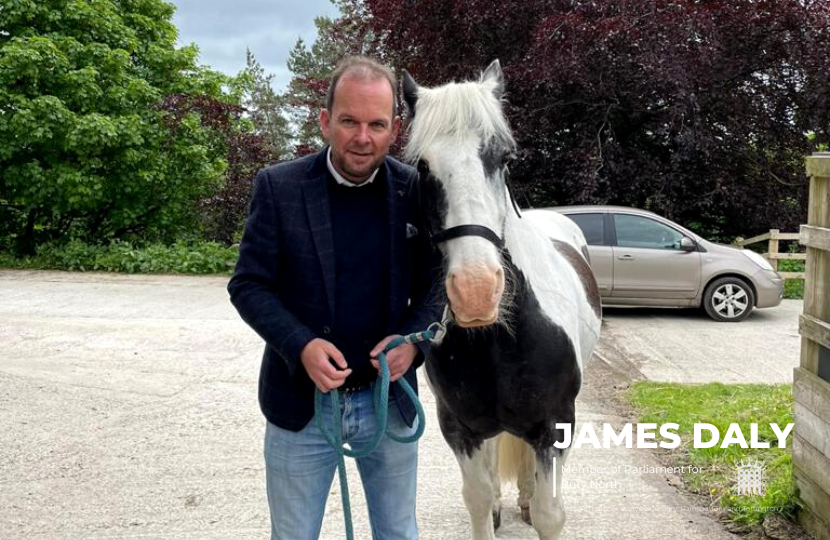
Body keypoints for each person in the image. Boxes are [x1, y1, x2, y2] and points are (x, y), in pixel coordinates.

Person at [227, 56, 441, 540]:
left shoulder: (415, 191)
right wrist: (300, 345)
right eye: (349, 121)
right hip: (302, 407)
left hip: (389, 402)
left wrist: (415, 342)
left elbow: (435, 282)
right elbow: (248, 285)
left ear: (394, 130)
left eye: (376, 124)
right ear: (325, 121)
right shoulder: (278, 187)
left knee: (399, 534)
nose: (362, 137)